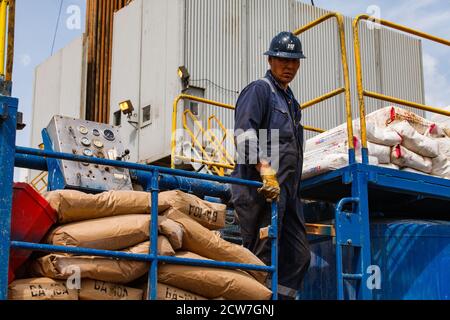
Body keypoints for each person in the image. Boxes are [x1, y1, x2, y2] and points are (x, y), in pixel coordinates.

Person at [231, 32, 311, 299]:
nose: (289, 66)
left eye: (294, 61)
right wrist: (264, 170)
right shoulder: (259, 90)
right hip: (259, 191)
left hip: (288, 193)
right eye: (282, 60)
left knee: (300, 257)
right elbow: (244, 134)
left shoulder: (291, 104)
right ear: (270, 59)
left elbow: (290, 149)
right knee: (261, 258)